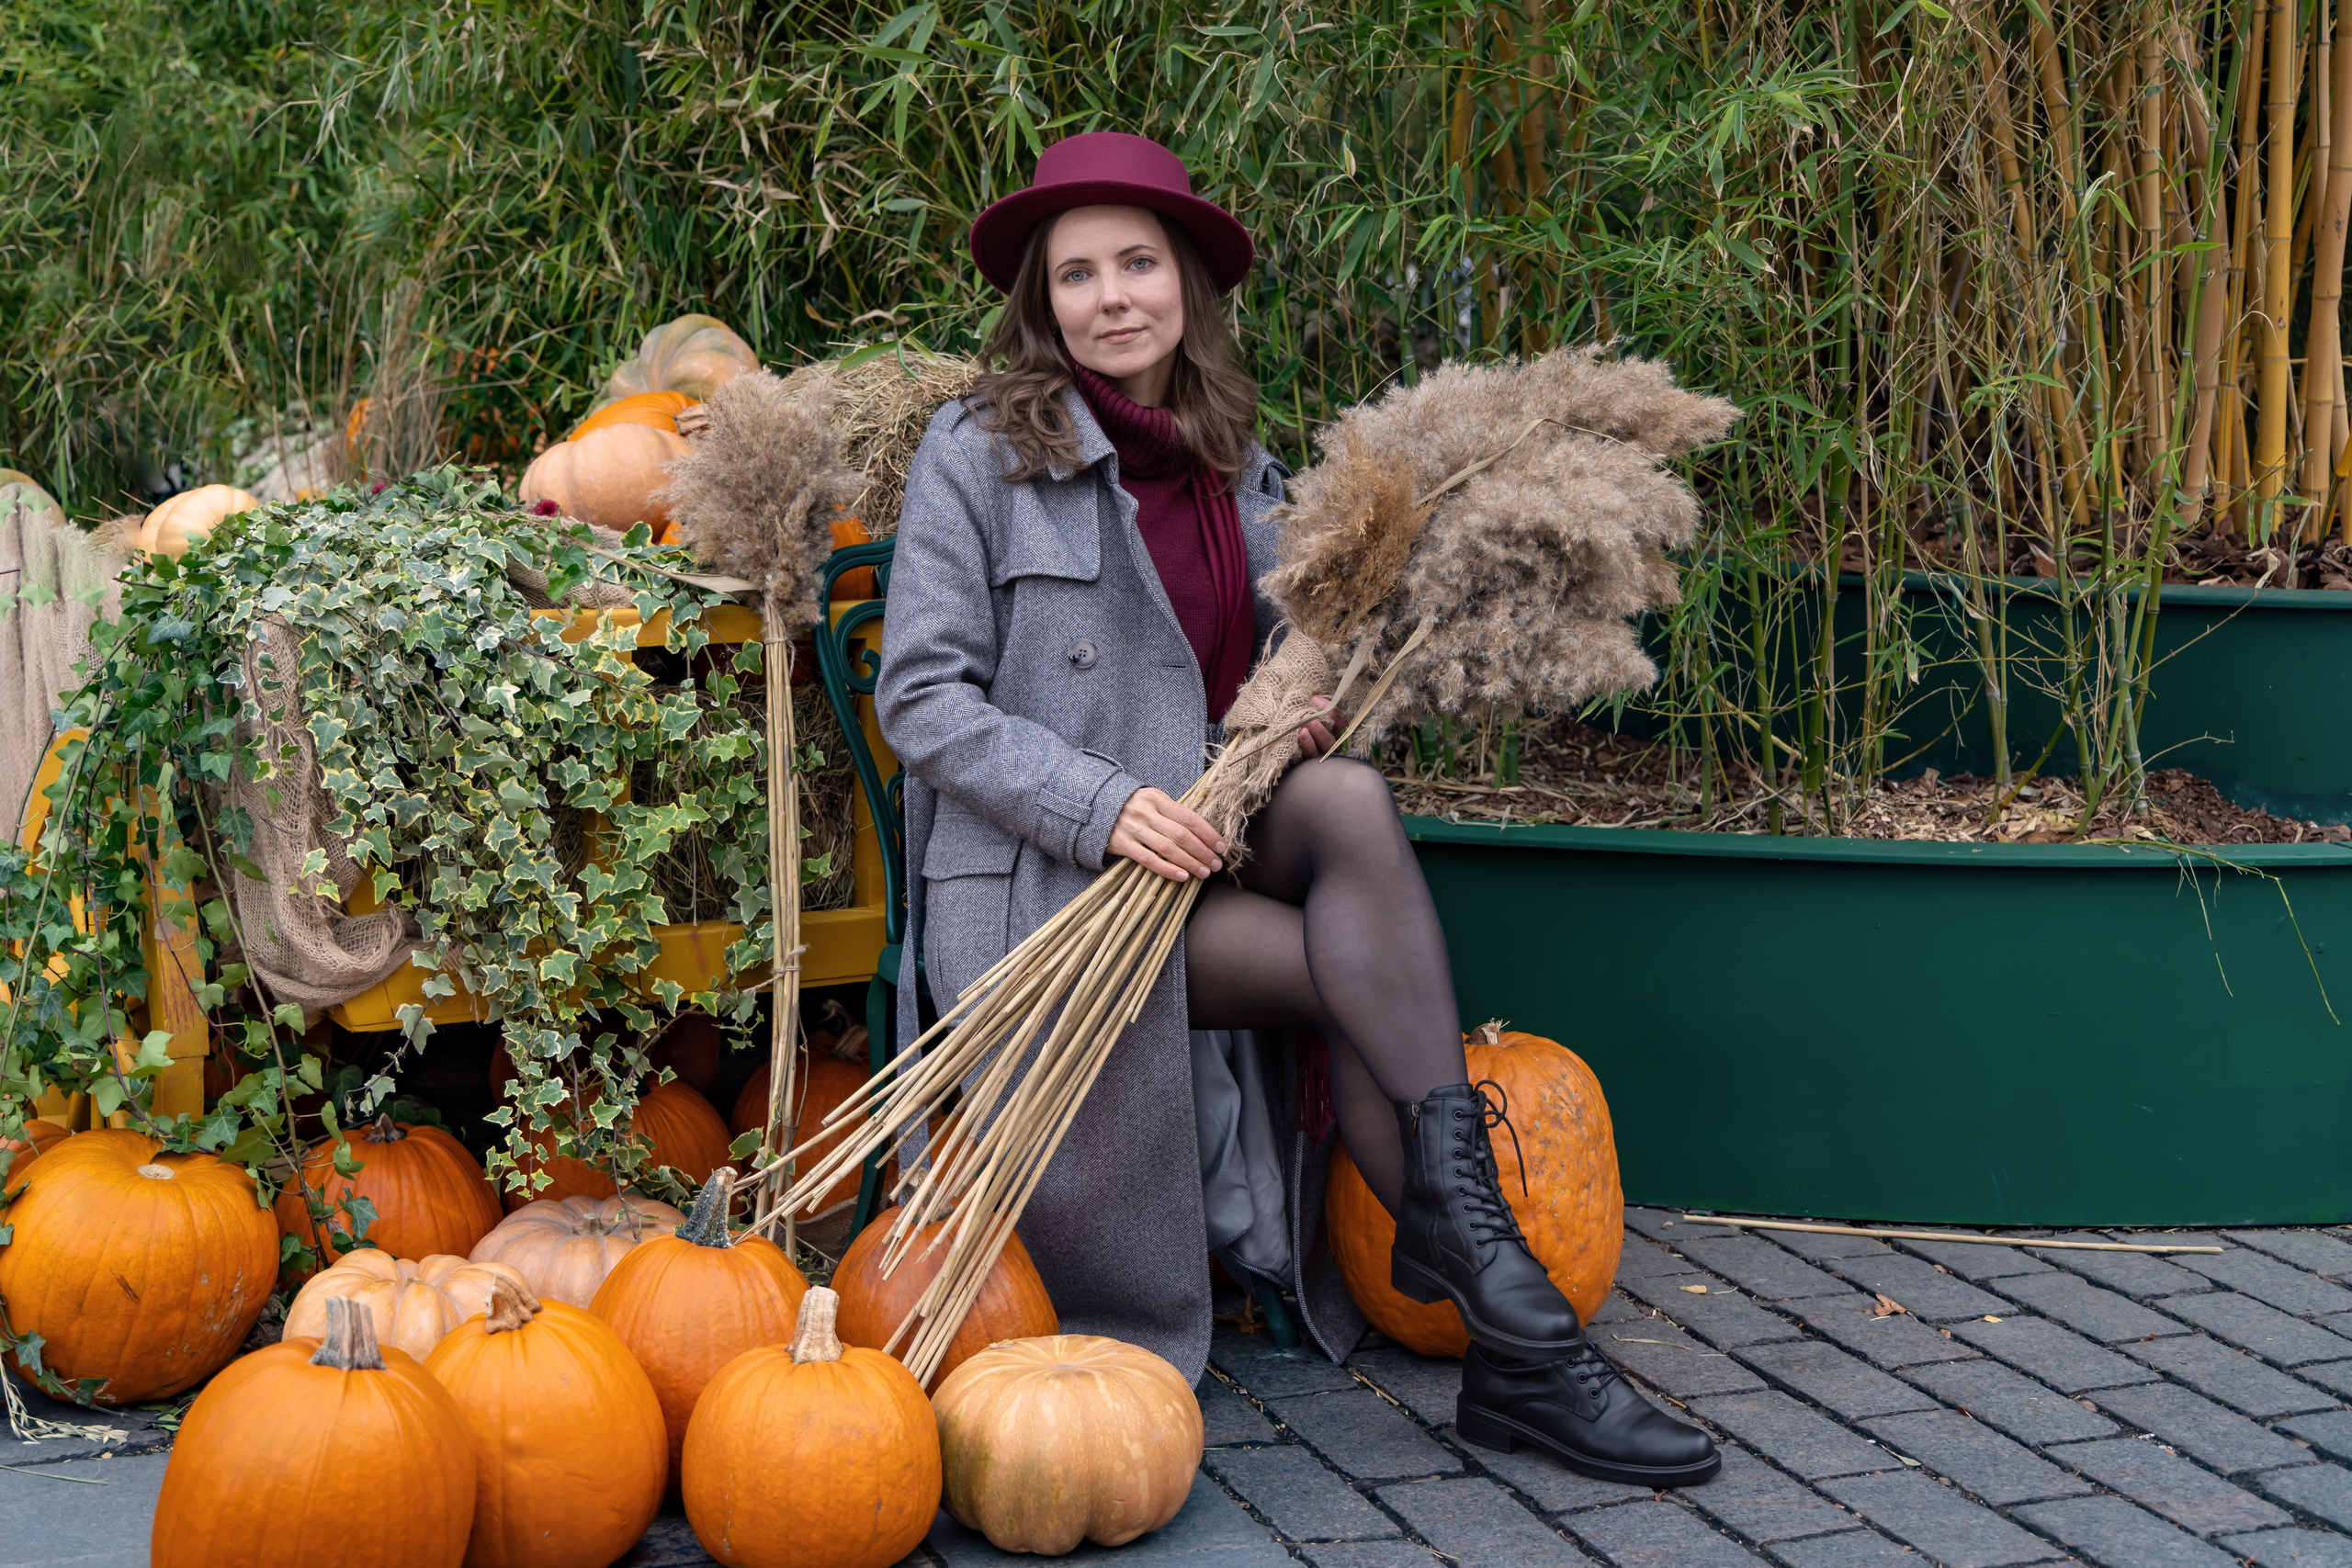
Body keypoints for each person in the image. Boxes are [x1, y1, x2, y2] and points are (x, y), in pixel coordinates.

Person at [875, 130, 1716, 1487]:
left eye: (1138, 263)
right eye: (1077, 273)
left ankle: (1506, 1315)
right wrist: (1103, 808)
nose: (1112, 297)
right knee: (1354, 976)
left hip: (1213, 846)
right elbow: (919, 699)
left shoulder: (1247, 477)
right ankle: (1522, 1333)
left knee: (1344, 790)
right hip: (1055, 888)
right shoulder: (976, 455)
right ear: (1043, 300)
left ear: (1188, 285)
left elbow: (1261, 697)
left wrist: (1300, 716)